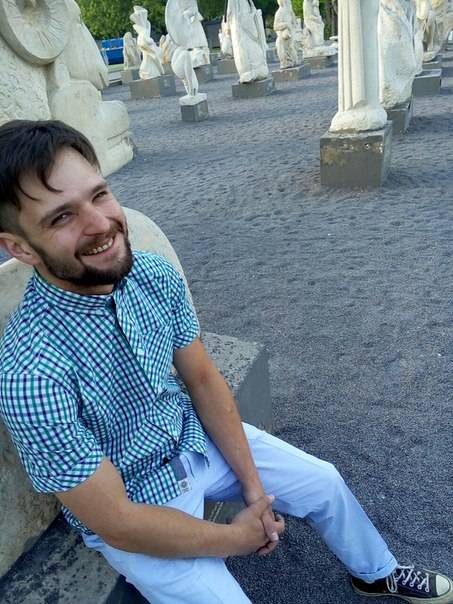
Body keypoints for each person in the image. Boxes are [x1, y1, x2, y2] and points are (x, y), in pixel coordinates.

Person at [0, 119, 451, 604]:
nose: (100, 224)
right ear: (20, 247)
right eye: (62, 218)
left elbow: (202, 378)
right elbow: (117, 521)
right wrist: (238, 538)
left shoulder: (150, 274)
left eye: (100, 194)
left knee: (324, 481)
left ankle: (376, 572)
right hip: (136, 501)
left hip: (192, 440)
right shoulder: (30, 372)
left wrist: (255, 490)